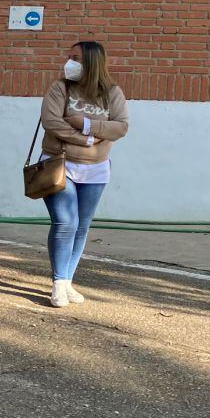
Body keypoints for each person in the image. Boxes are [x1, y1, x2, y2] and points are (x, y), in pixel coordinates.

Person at [40, 41, 129, 307]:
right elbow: (52, 121)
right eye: (69, 57)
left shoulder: (112, 93)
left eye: (75, 58)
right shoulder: (60, 88)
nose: (69, 63)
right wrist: (87, 140)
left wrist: (87, 124)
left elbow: (121, 127)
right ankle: (58, 282)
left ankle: (67, 281)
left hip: (96, 170)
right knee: (65, 222)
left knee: (82, 225)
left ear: (91, 62)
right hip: (59, 165)